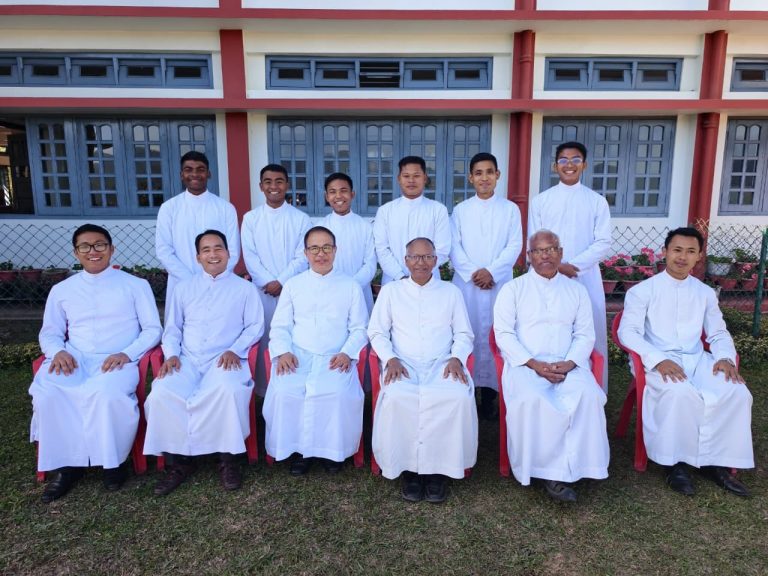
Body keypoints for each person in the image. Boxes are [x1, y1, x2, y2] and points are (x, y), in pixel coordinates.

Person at [30, 224, 162, 503]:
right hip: (74, 358)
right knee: (50, 394)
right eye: (85, 246)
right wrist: (58, 352)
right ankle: (67, 467)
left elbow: (152, 329)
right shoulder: (62, 289)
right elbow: (50, 332)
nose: (93, 251)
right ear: (76, 252)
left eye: (100, 245)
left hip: (117, 360)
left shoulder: (135, 285)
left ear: (111, 249)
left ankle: (113, 463)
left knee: (106, 394)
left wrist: (127, 353)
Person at [618, 227, 753, 497]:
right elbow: (627, 332)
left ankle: (715, 462)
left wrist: (725, 357)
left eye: (691, 251)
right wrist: (658, 360)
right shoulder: (642, 291)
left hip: (696, 358)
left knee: (736, 392)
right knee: (679, 393)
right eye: (677, 250)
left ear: (699, 256)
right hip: (655, 359)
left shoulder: (705, 293)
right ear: (665, 252)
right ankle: (674, 463)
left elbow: (717, 332)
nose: (682, 257)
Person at [144, 230, 264, 495]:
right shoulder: (183, 288)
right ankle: (179, 462)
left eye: (218, 248)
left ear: (229, 253)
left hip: (225, 359)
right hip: (186, 359)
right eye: (206, 250)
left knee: (227, 391)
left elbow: (255, 326)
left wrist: (235, 349)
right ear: (198, 257)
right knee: (162, 392)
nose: (213, 254)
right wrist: (171, 354)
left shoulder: (245, 289)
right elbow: (172, 328)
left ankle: (228, 459)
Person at [493, 230, 609, 502]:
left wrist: (569, 363)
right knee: (534, 399)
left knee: (588, 396)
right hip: (526, 365)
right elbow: (504, 334)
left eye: (551, 249)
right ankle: (547, 472)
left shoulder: (576, 290)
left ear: (560, 253)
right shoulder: (513, 289)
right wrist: (534, 364)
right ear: (529, 256)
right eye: (538, 251)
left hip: (568, 363)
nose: (545, 255)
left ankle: (582, 465)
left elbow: (585, 334)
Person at [368, 237, 477, 504]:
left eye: (427, 257)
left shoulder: (451, 292)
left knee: (455, 397)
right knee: (398, 397)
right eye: (415, 257)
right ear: (406, 261)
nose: (421, 262)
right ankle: (409, 471)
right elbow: (377, 332)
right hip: (402, 364)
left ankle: (439, 472)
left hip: (442, 363)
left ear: (436, 261)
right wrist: (390, 358)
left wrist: (456, 358)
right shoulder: (391, 291)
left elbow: (464, 333)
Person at [263, 226, 368, 475]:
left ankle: (332, 452)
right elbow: (280, 326)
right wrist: (283, 352)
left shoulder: (350, 286)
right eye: (314, 248)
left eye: (326, 247)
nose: (321, 254)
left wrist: (347, 352)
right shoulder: (293, 285)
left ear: (335, 250)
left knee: (336, 392)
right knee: (286, 391)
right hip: (297, 356)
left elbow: (359, 328)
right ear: (306, 253)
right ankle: (299, 451)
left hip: (335, 357)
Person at [528, 141, 611, 387]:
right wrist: (555, 266)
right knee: (549, 327)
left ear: (584, 165)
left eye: (576, 159)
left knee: (588, 329)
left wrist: (571, 266)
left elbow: (603, 241)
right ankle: (546, 377)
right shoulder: (541, 201)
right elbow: (534, 239)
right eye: (563, 160)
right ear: (555, 166)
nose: (569, 165)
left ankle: (593, 385)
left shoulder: (597, 201)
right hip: (546, 277)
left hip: (585, 276)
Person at [450, 152, 522, 420]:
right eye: (478, 173)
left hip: (498, 284)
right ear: (470, 178)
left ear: (497, 175)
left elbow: (514, 244)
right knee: (467, 333)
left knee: (497, 335)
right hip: (467, 286)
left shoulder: (510, 209)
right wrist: (474, 274)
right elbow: (454, 246)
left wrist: (491, 271)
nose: (484, 178)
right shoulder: (460, 210)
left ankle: (492, 396)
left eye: (489, 172)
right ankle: (466, 391)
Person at [241, 164, 310, 393]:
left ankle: (291, 387)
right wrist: (267, 282)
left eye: (279, 181)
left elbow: (302, 255)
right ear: (261, 186)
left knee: (292, 334)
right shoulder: (251, 219)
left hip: (292, 289)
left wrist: (281, 282)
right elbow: (250, 256)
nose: (274, 186)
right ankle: (263, 389)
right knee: (263, 336)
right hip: (261, 292)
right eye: (268, 182)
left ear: (287, 185)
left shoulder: (301, 219)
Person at [155, 151, 240, 316]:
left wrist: (213, 278)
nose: (194, 174)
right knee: (182, 325)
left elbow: (233, 251)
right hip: (181, 283)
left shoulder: (225, 208)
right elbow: (164, 251)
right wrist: (192, 281)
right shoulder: (169, 208)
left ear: (208, 174)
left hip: (219, 284)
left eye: (200, 169)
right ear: (181, 175)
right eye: (188, 169)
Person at [373, 156, 451, 285]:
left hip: (428, 280)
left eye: (416, 176)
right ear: (399, 179)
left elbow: (442, 248)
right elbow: (381, 249)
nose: (411, 180)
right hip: (394, 281)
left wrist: (421, 273)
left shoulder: (438, 210)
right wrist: (399, 276)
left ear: (425, 178)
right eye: (406, 176)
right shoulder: (385, 211)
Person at [318, 172, 377, 312]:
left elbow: (370, 264)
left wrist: (352, 286)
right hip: (329, 292)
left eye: (343, 191)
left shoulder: (365, 227)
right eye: (333, 192)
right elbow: (316, 263)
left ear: (352, 194)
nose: (338, 196)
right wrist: (336, 287)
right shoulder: (319, 228)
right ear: (326, 196)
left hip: (360, 291)